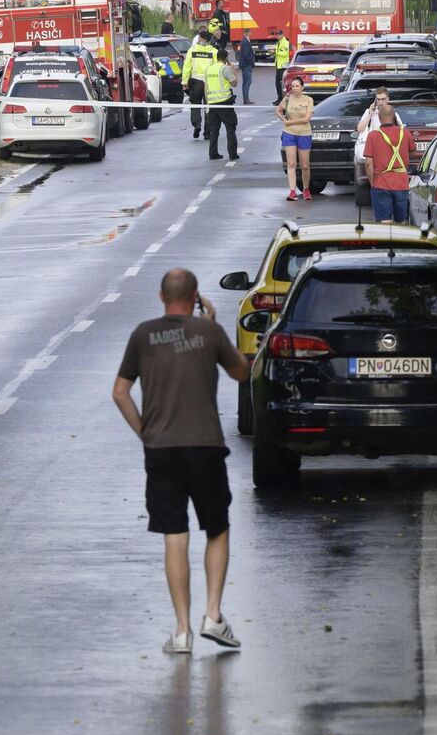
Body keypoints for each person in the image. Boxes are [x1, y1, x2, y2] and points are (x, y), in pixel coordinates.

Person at [111, 268, 251, 655]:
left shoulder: (142, 335)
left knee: (175, 534)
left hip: (161, 450)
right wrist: (212, 326)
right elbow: (243, 372)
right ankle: (213, 616)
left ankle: (182, 631)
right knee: (217, 528)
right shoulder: (208, 333)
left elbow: (120, 393)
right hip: (205, 445)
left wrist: (146, 433)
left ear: (161, 297)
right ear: (195, 298)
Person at [363, 103, 413, 223]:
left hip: (381, 183)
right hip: (401, 183)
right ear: (394, 116)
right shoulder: (405, 133)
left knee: (384, 223)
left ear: (379, 118)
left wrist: (372, 181)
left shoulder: (373, 136)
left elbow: (368, 163)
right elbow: (411, 152)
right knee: (401, 222)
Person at [276, 75, 315, 201]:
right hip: (289, 134)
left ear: (302, 87)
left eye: (297, 86)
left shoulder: (308, 100)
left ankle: (306, 189)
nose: (295, 88)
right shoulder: (288, 99)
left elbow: (306, 119)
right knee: (291, 164)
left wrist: (290, 122)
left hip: (304, 133)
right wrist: (283, 119)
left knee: (304, 165)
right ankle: (292, 191)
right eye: (293, 86)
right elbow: (278, 110)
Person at [204, 47, 239, 162]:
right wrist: (233, 70)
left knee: (214, 130)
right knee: (230, 128)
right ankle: (232, 154)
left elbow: (206, 87)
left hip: (212, 103)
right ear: (226, 58)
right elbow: (234, 84)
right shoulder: (225, 69)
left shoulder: (209, 69)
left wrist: (208, 103)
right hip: (224, 103)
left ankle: (213, 153)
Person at [184, 32, 218, 140]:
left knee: (195, 105)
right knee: (208, 107)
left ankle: (196, 124)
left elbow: (187, 67)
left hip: (195, 81)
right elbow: (217, 67)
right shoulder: (213, 51)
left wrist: (184, 82)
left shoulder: (192, 50)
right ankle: (207, 132)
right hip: (209, 82)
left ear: (200, 38)